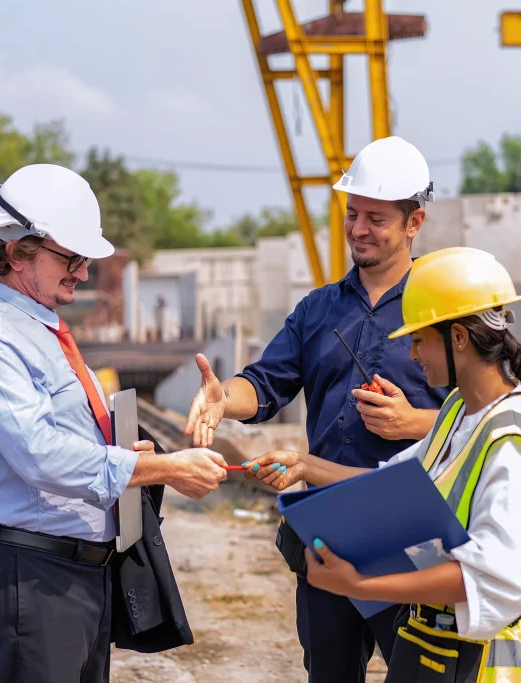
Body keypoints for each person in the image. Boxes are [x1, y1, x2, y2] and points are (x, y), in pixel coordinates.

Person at [0, 163, 229, 683]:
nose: (81, 272)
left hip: (78, 574)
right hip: (35, 577)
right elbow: (40, 455)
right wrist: (164, 469)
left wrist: (128, 455)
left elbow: (69, 442)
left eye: (84, 259)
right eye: (70, 258)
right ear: (18, 251)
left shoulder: (43, 332)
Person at [184, 136, 450, 682]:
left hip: (412, 534)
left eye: (376, 218)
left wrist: (416, 422)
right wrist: (223, 398)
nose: (358, 229)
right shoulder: (318, 309)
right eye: (352, 214)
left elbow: (485, 414)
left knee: (422, 675)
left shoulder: (444, 308)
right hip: (328, 534)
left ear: (414, 223)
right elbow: (265, 383)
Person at [246, 246, 521, 683]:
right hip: (445, 654)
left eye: (419, 340)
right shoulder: (459, 412)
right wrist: (304, 466)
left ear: (458, 338)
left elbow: (491, 578)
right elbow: (391, 484)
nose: (413, 355)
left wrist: (359, 585)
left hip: (490, 666)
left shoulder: (508, 438)